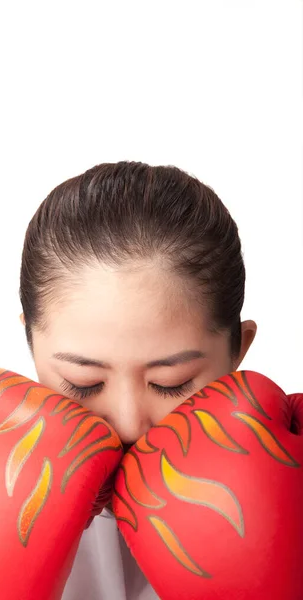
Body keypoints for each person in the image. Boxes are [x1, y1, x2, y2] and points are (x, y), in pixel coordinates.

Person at [18, 161, 257, 599]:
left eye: (172, 382)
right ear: (31, 346)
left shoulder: (286, 500)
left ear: (238, 349)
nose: (128, 425)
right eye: (82, 382)